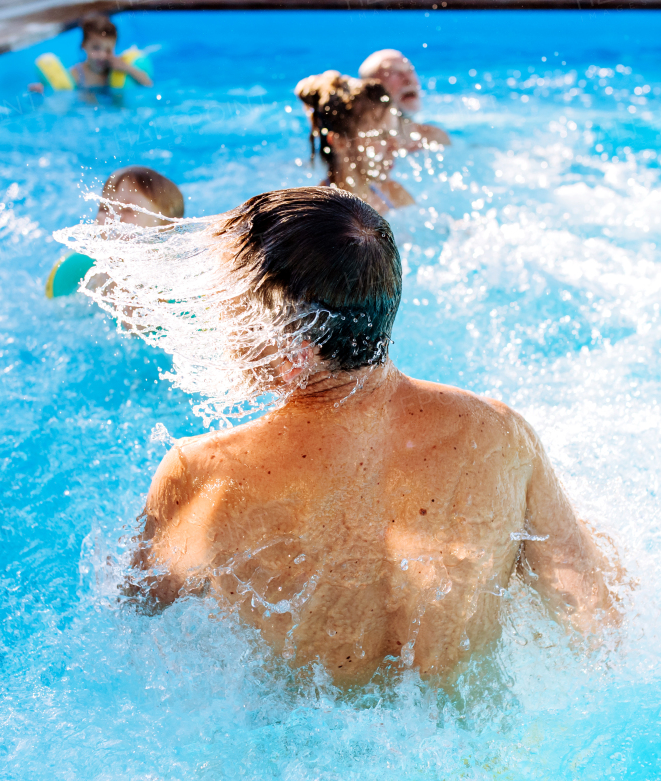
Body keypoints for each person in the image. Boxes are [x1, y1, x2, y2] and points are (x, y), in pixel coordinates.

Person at [129, 187, 619, 685]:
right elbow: (595, 619)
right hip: (480, 759)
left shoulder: (203, 473)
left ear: (287, 337)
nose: (223, 317)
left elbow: (133, 616)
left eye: (233, 301)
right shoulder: (498, 436)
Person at [46, 166, 183, 298]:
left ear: (165, 229)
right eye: (104, 208)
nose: (111, 218)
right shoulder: (78, 274)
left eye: (128, 210)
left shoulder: (174, 283)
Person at [295, 71, 414, 215]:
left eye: (392, 134)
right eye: (380, 136)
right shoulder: (319, 213)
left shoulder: (395, 196)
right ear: (340, 142)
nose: (395, 147)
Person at [29, 14, 153, 96]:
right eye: (96, 48)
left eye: (108, 50)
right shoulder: (77, 74)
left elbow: (148, 84)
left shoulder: (118, 66)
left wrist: (128, 68)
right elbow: (61, 88)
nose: (102, 55)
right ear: (84, 46)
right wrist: (44, 89)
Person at [359, 49, 451, 150]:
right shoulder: (362, 148)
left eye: (410, 71)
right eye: (394, 73)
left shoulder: (436, 138)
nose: (408, 80)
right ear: (371, 90)